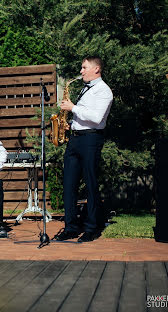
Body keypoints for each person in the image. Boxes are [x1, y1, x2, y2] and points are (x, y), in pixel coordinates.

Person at [54, 56, 113, 243]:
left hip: (91, 140)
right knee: (69, 185)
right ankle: (71, 227)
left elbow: (96, 118)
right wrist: (70, 124)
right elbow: (83, 116)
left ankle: (91, 228)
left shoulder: (104, 91)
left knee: (90, 183)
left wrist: (73, 108)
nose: (81, 71)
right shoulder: (85, 89)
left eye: (84, 67)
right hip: (75, 139)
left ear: (96, 69)